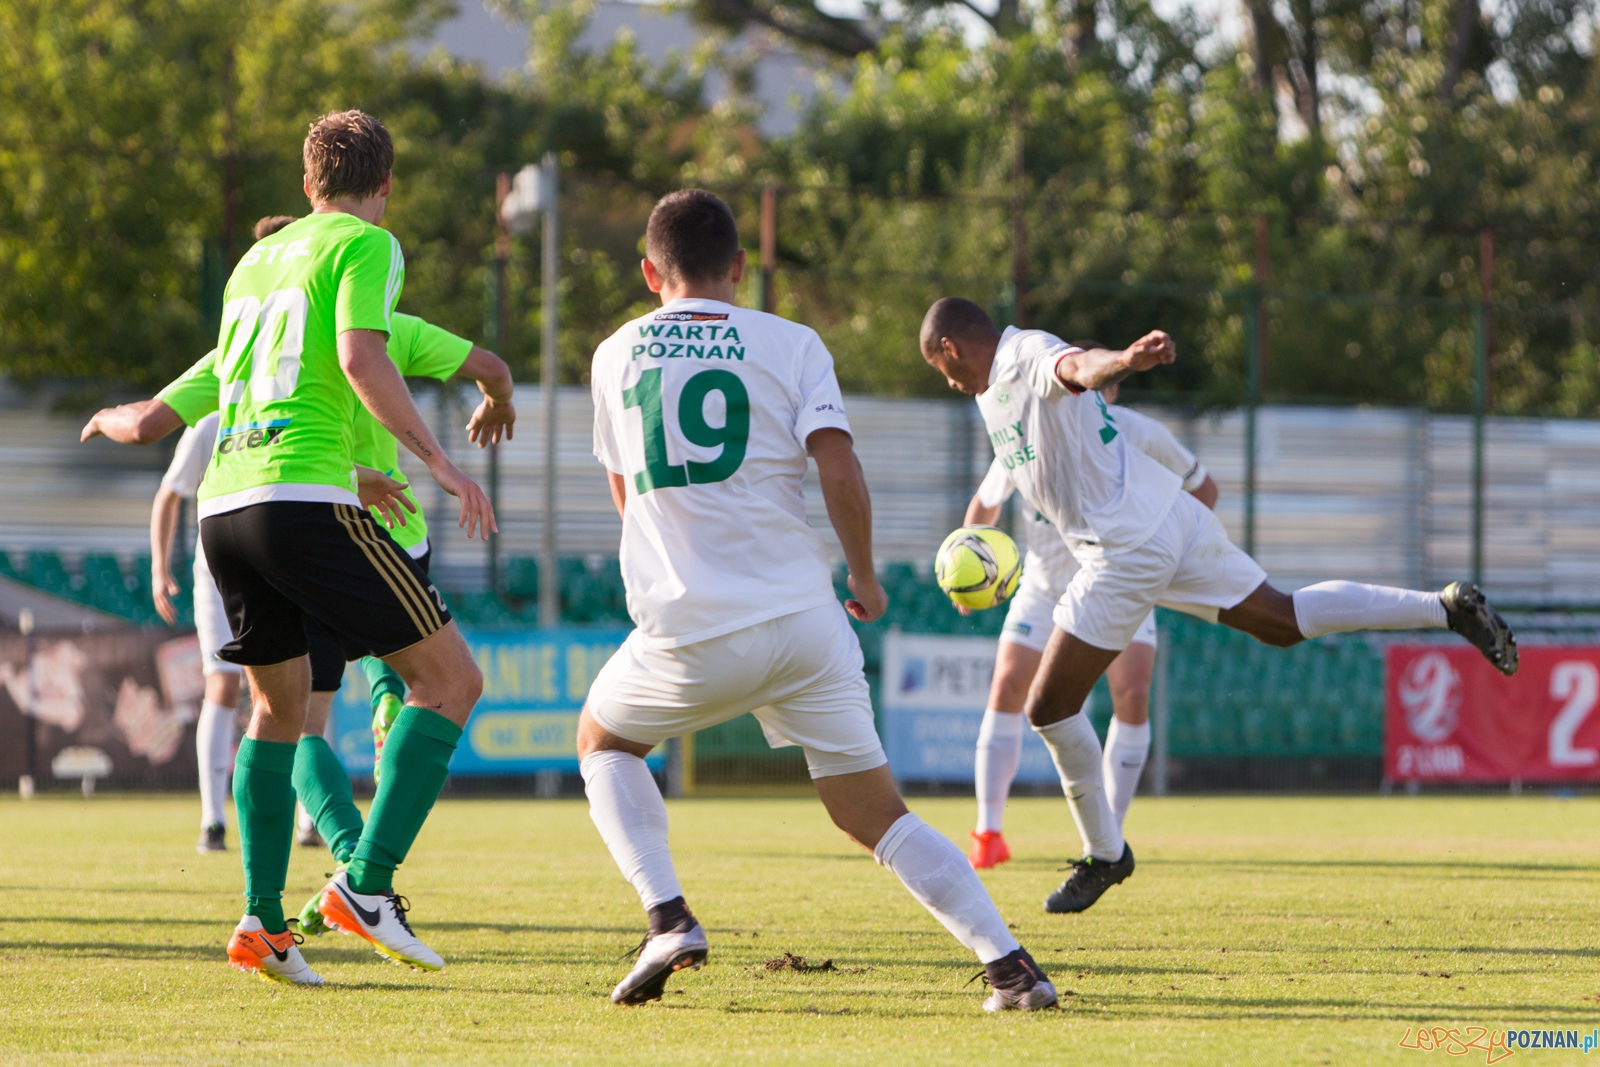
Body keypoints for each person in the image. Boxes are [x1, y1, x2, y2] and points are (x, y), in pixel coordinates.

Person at [578, 189, 1057, 1013]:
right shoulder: (792, 342)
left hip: (690, 625)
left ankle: (667, 917)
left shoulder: (614, 353)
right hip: (806, 621)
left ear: (650, 271)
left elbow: (627, 493)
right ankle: (1011, 966)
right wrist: (864, 579)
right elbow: (839, 471)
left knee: (602, 741)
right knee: (875, 814)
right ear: (738, 267)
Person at [919, 298, 1518, 915]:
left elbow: (1077, 366)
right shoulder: (994, 397)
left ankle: (1106, 853)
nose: (949, 383)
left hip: (1122, 549)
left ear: (951, 349)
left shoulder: (1024, 353)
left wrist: (1123, 359)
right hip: (1171, 520)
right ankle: (1445, 608)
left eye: (943, 371)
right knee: (1283, 621)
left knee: (1047, 706)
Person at [81, 110, 494, 986]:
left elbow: (158, 417)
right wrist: (441, 465)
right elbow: (359, 357)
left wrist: (113, 418)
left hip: (222, 510)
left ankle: (264, 923)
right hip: (303, 497)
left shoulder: (254, 265)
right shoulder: (366, 246)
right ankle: (366, 885)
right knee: (452, 680)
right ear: (383, 186)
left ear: (307, 184)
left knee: (277, 708)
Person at [962, 382, 1217, 879]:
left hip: (1120, 580)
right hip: (1044, 585)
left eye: (1089, 383)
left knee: (1133, 694)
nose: (1076, 391)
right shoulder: (1025, 433)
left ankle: (1107, 838)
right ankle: (987, 832)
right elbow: (985, 505)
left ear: (1112, 390)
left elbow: (1204, 489)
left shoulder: (1143, 434)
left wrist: (1171, 554)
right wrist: (969, 560)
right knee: (1008, 686)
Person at [151, 411, 241, 854]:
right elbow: (169, 494)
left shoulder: (286, 410)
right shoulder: (210, 425)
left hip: (277, 568)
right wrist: (158, 567)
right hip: (218, 573)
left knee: (288, 687)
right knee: (223, 685)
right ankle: (213, 821)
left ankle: (305, 817)